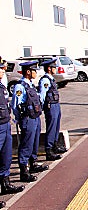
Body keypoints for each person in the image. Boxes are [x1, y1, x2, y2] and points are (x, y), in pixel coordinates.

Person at [11, 61, 48, 182]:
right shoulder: (20, 86)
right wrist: (19, 118)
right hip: (27, 118)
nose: (36, 73)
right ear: (28, 72)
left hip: (35, 117)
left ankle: (33, 163)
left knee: (34, 142)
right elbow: (16, 105)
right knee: (26, 144)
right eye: (34, 70)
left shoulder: (31, 85)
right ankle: (24, 170)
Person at [0, 63, 24, 207]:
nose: (3, 70)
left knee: (6, 156)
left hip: (5, 125)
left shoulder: (2, 87)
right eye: (1, 68)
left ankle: (5, 184)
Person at [38, 59, 64, 161]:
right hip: (50, 106)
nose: (55, 69)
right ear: (49, 68)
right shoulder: (45, 80)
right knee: (51, 127)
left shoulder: (51, 79)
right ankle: (49, 150)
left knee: (56, 126)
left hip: (55, 104)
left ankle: (55, 145)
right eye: (54, 67)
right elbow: (42, 95)